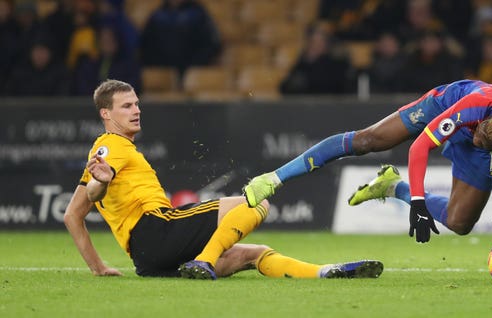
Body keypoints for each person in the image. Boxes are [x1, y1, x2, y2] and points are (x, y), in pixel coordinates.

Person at [63, 79, 383, 280]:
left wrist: (98, 267)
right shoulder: (112, 145)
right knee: (255, 204)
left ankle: (324, 272)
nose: (136, 110)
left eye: (137, 104)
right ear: (106, 114)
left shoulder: (105, 152)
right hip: (156, 229)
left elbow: (73, 213)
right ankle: (203, 261)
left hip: (148, 259)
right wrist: (100, 184)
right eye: (126, 106)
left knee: (252, 253)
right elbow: (93, 191)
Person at [244, 79, 492, 242]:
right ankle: (272, 178)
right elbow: (420, 147)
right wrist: (420, 204)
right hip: (447, 105)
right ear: (484, 123)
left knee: (460, 223)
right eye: (478, 134)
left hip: (479, 136)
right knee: (369, 140)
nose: (477, 138)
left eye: (484, 142)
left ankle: (392, 186)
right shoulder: (475, 107)